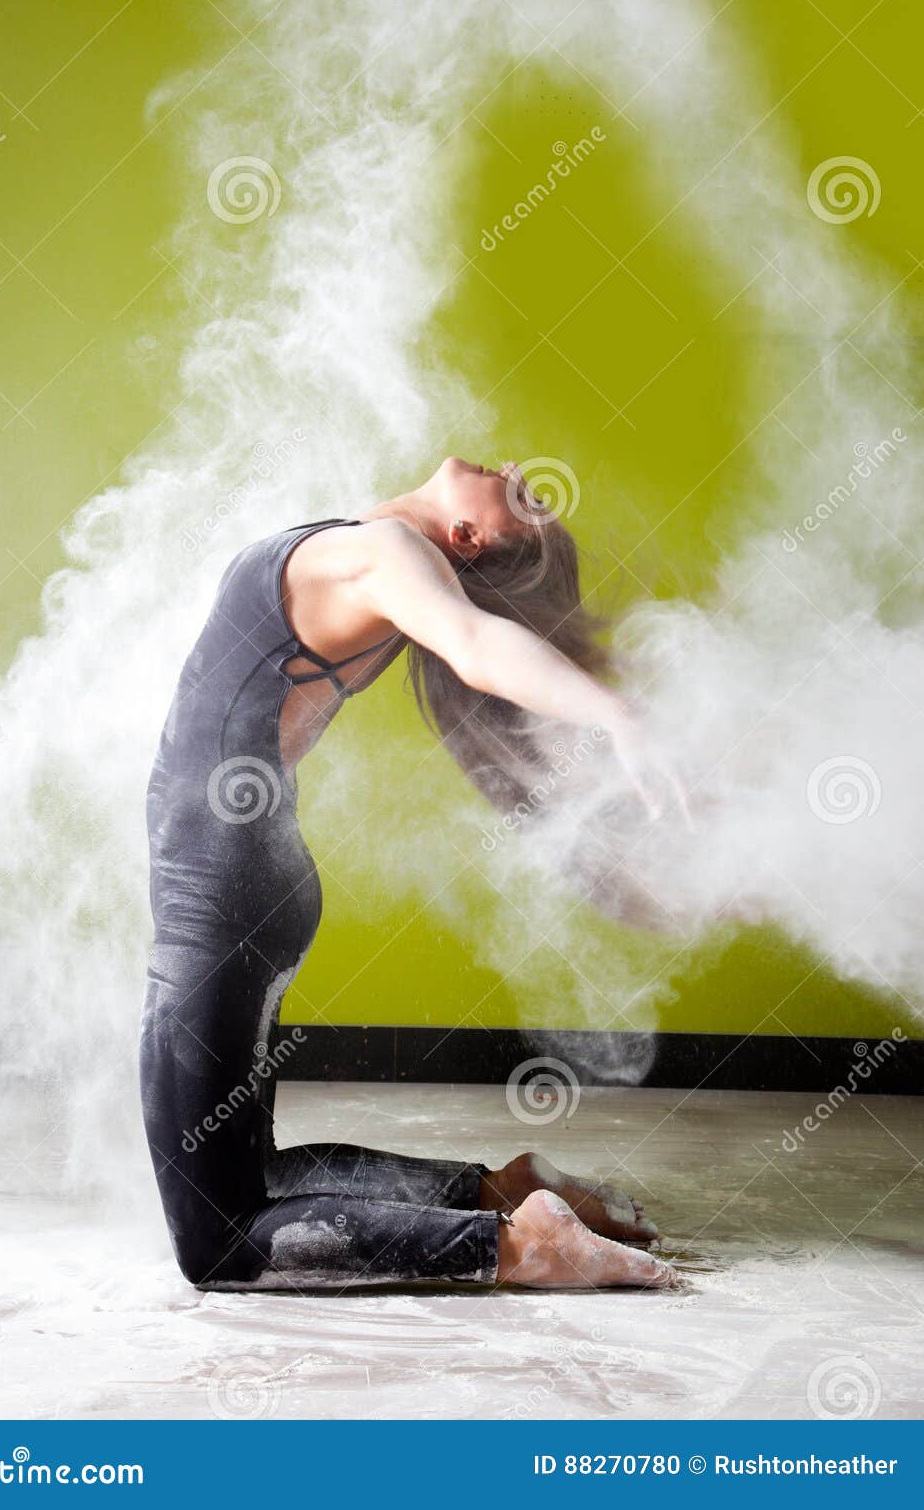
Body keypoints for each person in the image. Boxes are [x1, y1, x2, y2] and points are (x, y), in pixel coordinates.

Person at [140, 457, 676, 1290]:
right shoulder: (383, 563)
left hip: (217, 892)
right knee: (254, 1175)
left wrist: (615, 714)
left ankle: (521, 1248)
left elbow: (475, 645)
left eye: (524, 502)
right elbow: (465, 633)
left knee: (218, 1241)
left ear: (466, 537)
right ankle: (500, 1191)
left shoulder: (390, 551)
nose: (514, 470)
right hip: (242, 883)